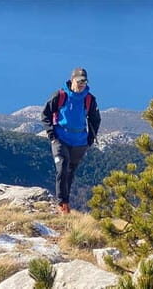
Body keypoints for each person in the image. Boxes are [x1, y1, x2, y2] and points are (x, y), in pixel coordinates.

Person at [41, 67, 101, 214]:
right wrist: (52, 135)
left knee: (70, 173)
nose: (82, 84)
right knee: (62, 168)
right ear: (72, 80)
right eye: (79, 81)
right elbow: (45, 114)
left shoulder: (89, 99)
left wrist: (89, 140)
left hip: (79, 142)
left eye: (84, 81)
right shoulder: (60, 95)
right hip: (60, 139)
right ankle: (62, 204)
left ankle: (66, 203)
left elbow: (95, 119)